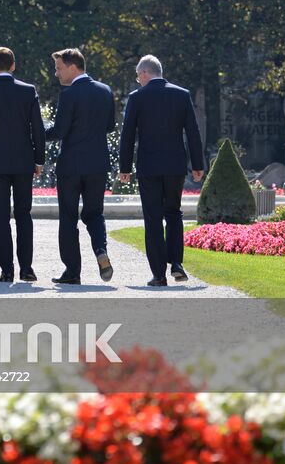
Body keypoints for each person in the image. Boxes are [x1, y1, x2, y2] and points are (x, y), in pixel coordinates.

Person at [119, 54, 204, 286]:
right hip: (175, 165)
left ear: (145, 72)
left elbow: (128, 136)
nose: (138, 80)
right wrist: (197, 165)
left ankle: (158, 274)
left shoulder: (137, 98)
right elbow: (192, 133)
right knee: (174, 214)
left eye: (138, 76)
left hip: (149, 166)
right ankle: (176, 263)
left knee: (153, 218)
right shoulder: (181, 95)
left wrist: (124, 167)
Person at [0, 46, 45, 282]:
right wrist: (39, 159)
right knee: (24, 215)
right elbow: (38, 130)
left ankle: (7, 269)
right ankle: (27, 268)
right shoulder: (27, 91)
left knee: (0, 217)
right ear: (13, 65)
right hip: (23, 161)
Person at [45, 48, 116, 286]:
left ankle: (72, 271)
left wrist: (34, 135)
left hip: (71, 166)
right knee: (95, 213)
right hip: (97, 164)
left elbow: (59, 131)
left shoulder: (69, 94)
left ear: (72, 66)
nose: (56, 73)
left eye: (59, 68)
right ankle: (100, 251)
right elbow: (109, 126)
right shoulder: (105, 91)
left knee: (68, 218)